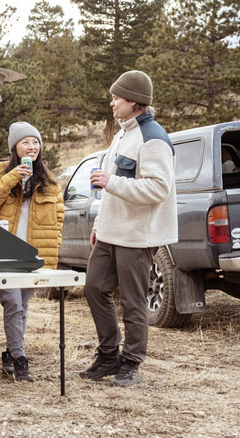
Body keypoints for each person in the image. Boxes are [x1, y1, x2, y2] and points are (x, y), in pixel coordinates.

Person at [80, 70, 178, 387]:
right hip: (110, 233)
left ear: (134, 102)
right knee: (94, 288)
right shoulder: (122, 135)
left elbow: (158, 188)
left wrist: (112, 182)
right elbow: (110, 190)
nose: (112, 103)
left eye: (117, 98)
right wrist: (99, 224)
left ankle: (131, 363)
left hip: (137, 235)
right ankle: (109, 355)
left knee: (133, 302)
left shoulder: (154, 139)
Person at [0, 121, 64, 383]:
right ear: (14, 147)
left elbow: (58, 220)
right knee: (13, 302)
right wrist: (13, 176)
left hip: (32, 256)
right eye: (25, 142)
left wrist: (52, 250)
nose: (32, 146)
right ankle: (19, 358)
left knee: (22, 305)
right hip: (3, 253)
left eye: (35, 142)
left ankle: (10, 353)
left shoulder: (49, 181)